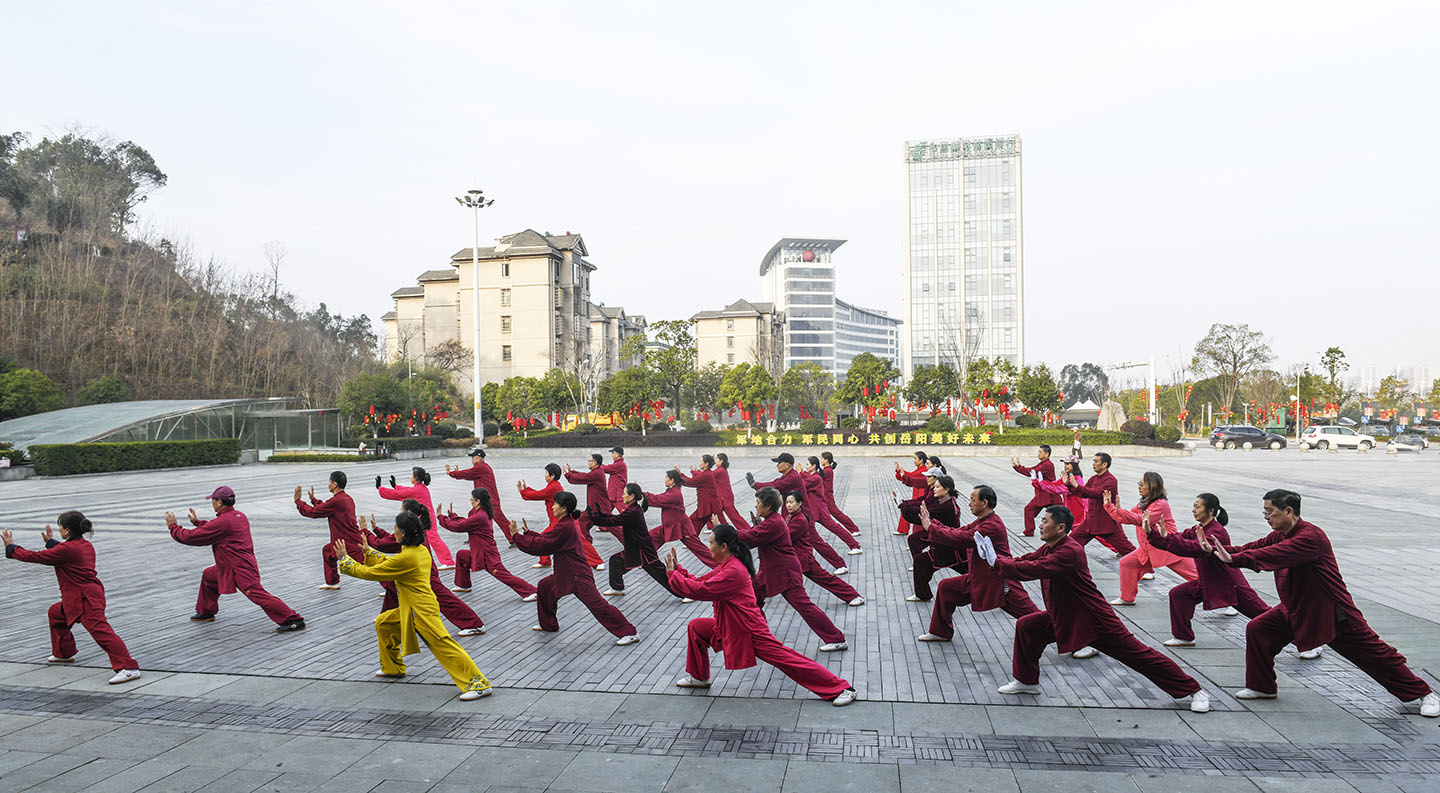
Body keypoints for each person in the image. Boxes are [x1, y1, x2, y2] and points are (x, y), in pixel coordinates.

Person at [1205, 489, 1437, 716]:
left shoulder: (1310, 537)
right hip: (1297, 607)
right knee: (1259, 629)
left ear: (1288, 511)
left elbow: (1272, 555)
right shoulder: (1280, 533)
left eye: (1269, 512)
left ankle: (1425, 694)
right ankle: (1262, 686)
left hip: (1331, 611)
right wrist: (1219, 550)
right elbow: (1255, 547)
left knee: (1374, 654)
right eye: (1264, 512)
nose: (1266, 517)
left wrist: (1234, 559)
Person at [981, 505, 1212, 713]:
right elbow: (1026, 560)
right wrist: (998, 560)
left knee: (1139, 656)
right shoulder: (1050, 547)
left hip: (1094, 618)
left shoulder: (1069, 551)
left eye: (1045, 521)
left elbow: (1033, 569)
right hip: (1065, 616)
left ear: (1061, 528)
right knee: (1028, 626)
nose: (1041, 525)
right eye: (1041, 521)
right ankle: (1026, 681)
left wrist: (997, 562)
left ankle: (1194, 690)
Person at [666, 526, 857, 706]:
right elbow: (700, 581)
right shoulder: (728, 564)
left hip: (749, 631)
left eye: (710, 543)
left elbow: (699, 590)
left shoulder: (733, 571)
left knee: (789, 660)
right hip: (730, 627)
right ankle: (699, 677)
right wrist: (679, 571)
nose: (708, 547)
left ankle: (841, 688)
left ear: (723, 547)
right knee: (696, 627)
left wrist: (674, 575)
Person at [334, 512, 492, 701]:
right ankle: (393, 668)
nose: (394, 533)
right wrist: (369, 551)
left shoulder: (407, 557)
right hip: (413, 609)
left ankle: (479, 683)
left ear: (402, 534)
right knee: (384, 623)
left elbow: (371, 572)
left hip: (422, 611)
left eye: (395, 530)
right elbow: (389, 563)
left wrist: (345, 560)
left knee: (443, 645)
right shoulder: (418, 550)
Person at [3, 512, 141, 684]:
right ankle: (63, 653)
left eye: (60, 527)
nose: (59, 529)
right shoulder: (85, 544)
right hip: (84, 596)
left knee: (102, 633)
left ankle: (129, 668)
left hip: (84, 600)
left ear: (67, 531)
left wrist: (11, 547)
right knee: (56, 614)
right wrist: (51, 543)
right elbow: (63, 552)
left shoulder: (66, 549)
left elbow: (35, 557)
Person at [166, 486, 305, 632]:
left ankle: (293, 619)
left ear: (219, 502)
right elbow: (214, 528)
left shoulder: (222, 522)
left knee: (256, 594)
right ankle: (206, 611)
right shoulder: (238, 516)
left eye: (213, 500)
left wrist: (173, 526)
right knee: (209, 576)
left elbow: (190, 537)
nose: (212, 503)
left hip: (239, 568)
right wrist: (197, 522)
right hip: (235, 564)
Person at [512, 492, 639, 645]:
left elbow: (542, 545)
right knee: (544, 587)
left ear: (564, 508)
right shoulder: (565, 524)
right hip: (566, 574)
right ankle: (548, 624)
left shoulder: (565, 527)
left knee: (599, 605)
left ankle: (630, 632)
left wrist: (517, 537)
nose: (553, 507)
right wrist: (528, 534)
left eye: (555, 504)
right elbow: (547, 540)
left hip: (578, 576)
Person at [917, 485, 1039, 642]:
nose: (969, 503)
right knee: (946, 588)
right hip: (979, 578)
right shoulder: (983, 521)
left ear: (984, 502)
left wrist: (932, 528)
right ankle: (940, 632)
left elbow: (962, 538)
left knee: (1034, 617)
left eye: (973, 500)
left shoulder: (991, 525)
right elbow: (960, 531)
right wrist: (933, 524)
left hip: (1000, 581)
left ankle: (1070, 638)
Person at [1146, 493, 1270, 647]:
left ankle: (1303, 642)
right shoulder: (1199, 529)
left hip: (1230, 584)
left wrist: (1169, 538)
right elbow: (1180, 538)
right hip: (1209, 581)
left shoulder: (1216, 532)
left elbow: (1194, 548)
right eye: (1194, 506)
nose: (1193, 510)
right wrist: (1152, 534)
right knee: (1179, 595)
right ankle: (1184, 637)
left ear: (1211, 511)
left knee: (1263, 615)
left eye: (1197, 507)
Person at [738, 487, 848, 652]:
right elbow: (756, 533)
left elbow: (751, 537)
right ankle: (759, 636)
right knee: (751, 598)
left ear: (768, 506)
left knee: (805, 606)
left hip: (785, 573)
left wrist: (724, 532)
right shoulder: (774, 520)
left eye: (758, 503)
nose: (756, 506)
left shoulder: (776, 522)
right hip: (771, 571)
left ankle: (836, 638)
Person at [361, 504, 487, 636]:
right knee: (394, 585)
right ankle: (387, 617)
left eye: (401, 510)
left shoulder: (409, 532)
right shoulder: (415, 528)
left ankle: (475, 624)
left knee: (446, 600)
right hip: (422, 570)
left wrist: (365, 531)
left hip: (424, 574)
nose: (399, 513)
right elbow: (392, 539)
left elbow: (383, 544)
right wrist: (376, 530)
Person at [1103, 472, 1198, 606]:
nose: (1139, 487)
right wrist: (1110, 507)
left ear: (1152, 486)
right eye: (1139, 484)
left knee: (1197, 576)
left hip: (1169, 548)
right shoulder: (1143, 503)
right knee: (1127, 563)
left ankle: (1229, 601)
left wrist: (1119, 511)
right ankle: (1127, 597)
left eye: (1142, 484)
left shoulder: (1161, 504)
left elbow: (1140, 520)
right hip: (1148, 549)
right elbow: (1125, 518)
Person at [749, 454, 845, 572]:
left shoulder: (792, 477)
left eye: (779, 463)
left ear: (787, 464)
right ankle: (800, 565)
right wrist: (756, 485)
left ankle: (840, 564)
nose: (777, 465)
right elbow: (775, 482)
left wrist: (755, 485)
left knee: (815, 542)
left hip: (803, 517)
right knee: (795, 542)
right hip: (792, 516)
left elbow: (775, 486)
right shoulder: (787, 476)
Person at [439, 489, 538, 601]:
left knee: (504, 575)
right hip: (480, 552)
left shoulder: (480, 516)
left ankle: (532, 591)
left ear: (478, 501)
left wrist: (441, 517)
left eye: (472, 499)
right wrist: (452, 516)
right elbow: (465, 522)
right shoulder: (480, 513)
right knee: (462, 556)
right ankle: (463, 585)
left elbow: (458, 526)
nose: (470, 501)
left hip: (487, 554)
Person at [591, 483, 676, 597]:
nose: (622, 496)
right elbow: (615, 518)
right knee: (616, 561)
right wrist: (601, 515)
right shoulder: (633, 509)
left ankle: (682, 591)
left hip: (644, 551)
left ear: (631, 496)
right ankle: (617, 588)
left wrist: (595, 518)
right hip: (636, 550)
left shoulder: (633, 512)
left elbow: (614, 521)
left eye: (624, 494)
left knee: (660, 573)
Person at [783, 490, 864, 607]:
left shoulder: (800, 519)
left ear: (800, 503)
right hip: (791, 559)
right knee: (764, 579)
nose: (788, 505)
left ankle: (852, 595)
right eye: (787, 502)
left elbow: (785, 536)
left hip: (803, 559)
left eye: (791, 502)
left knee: (825, 578)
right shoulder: (790, 517)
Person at [519, 463, 604, 569]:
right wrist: (527, 490)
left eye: (546, 473)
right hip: (556, 521)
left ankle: (597, 562)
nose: (545, 475)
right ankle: (544, 561)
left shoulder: (553, 487)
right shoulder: (552, 485)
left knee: (580, 541)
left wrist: (523, 491)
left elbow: (537, 495)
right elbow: (540, 493)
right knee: (543, 538)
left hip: (563, 520)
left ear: (552, 475)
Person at [294, 471, 362, 590]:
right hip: (344, 540)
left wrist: (298, 501)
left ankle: (391, 585)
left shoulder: (337, 501)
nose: (328, 484)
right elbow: (326, 507)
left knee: (370, 565)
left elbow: (313, 512)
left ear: (334, 484)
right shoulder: (345, 498)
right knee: (327, 551)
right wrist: (314, 500)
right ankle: (332, 582)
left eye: (329, 482)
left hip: (348, 542)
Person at [902, 471, 962, 602]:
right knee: (922, 562)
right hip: (946, 545)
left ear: (947, 489)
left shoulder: (946, 506)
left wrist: (903, 506)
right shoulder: (945, 501)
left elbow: (928, 514)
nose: (934, 489)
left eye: (937, 487)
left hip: (948, 547)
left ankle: (923, 594)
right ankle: (923, 594)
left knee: (969, 570)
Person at [377, 467, 454, 569]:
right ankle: (442, 561)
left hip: (427, 518)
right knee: (430, 540)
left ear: (415, 477)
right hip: (426, 517)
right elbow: (407, 490)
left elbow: (399, 494)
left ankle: (448, 562)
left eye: (411, 475)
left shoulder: (418, 490)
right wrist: (396, 486)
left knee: (434, 540)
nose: (410, 477)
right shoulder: (420, 488)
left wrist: (380, 488)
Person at [1063, 453, 1135, 556]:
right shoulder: (1093, 478)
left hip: (1107, 523)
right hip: (1091, 521)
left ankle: (1146, 565)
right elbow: (1084, 493)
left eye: (1096, 461)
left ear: (1105, 464)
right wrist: (1069, 485)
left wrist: (1077, 486)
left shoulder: (1110, 480)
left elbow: (1097, 493)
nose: (1093, 464)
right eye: (1093, 461)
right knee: (1071, 542)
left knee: (1127, 549)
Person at [648, 469, 718, 568]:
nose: (665, 480)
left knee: (700, 551)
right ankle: (646, 558)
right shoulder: (672, 490)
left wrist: (643, 494)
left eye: (666, 478)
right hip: (672, 526)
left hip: (682, 528)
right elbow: (659, 497)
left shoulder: (674, 493)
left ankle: (720, 565)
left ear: (672, 480)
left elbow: (659, 499)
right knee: (651, 538)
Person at [445, 447, 513, 542]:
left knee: (501, 520)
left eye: (473, 457)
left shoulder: (481, 467)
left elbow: (468, 473)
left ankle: (514, 538)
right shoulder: (481, 468)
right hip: (484, 500)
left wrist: (453, 473)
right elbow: (469, 475)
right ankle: (474, 536)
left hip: (490, 500)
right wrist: (457, 474)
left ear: (479, 458)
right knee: (472, 514)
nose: (472, 459)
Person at [800, 456, 861, 555]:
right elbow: (807, 479)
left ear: (814, 466)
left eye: (807, 464)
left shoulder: (816, 477)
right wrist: (802, 473)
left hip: (819, 510)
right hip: (814, 510)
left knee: (835, 527)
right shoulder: (814, 476)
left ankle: (855, 545)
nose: (806, 466)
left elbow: (803, 483)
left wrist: (800, 473)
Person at [1011, 445, 1060, 537]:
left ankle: (1029, 530)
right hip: (1045, 495)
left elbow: (1031, 472)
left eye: (1040, 452)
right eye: (1038, 452)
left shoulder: (1047, 465)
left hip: (1048, 495)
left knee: (1062, 514)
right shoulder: (1043, 463)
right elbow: (1032, 470)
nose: (1038, 454)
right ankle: (1029, 530)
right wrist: (1018, 467)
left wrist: (1018, 467)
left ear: (1047, 454)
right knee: (1030, 510)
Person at [564, 454, 614, 541]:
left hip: (600, 509)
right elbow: (584, 475)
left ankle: (634, 542)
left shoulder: (597, 473)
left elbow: (582, 478)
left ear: (595, 463)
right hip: (594, 508)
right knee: (582, 523)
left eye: (590, 461)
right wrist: (572, 472)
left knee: (616, 529)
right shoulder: (596, 472)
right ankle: (586, 545)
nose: (588, 463)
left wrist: (568, 474)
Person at [677, 455, 725, 533]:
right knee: (694, 522)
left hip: (710, 504)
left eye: (701, 462)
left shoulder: (706, 474)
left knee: (722, 526)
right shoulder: (707, 473)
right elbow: (699, 478)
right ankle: (693, 542)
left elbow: (692, 482)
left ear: (706, 464)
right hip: (708, 504)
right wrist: (692, 472)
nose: (699, 464)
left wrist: (679, 475)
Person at [818, 452, 861, 537]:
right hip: (824, 495)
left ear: (826, 460)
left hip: (827, 495)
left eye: (822, 458)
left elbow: (815, 477)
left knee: (836, 513)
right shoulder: (827, 469)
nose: (821, 460)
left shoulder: (827, 471)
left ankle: (854, 529)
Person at [892, 450, 930, 535]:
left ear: (921, 460)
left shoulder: (924, 470)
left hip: (922, 495)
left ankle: (910, 533)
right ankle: (903, 529)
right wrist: (899, 472)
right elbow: (908, 476)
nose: (914, 460)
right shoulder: (920, 469)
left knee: (913, 513)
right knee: (907, 508)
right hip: (917, 494)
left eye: (915, 458)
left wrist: (900, 471)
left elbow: (910, 476)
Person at [713, 453, 750, 530]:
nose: (715, 461)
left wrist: (695, 472)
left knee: (733, 515)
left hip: (725, 497)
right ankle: (722, 528)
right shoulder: (721, 470)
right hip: (723, 496)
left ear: (721, 461)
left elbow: (707, 476)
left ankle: (746, 528)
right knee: (716, 512)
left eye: (717, 459)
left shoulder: (720, 470)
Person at [601, 446, 628, 512]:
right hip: (613, 494)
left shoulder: (619, 464)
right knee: (605, 512)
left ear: (617, 454)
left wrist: (597, 464)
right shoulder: (618, 463)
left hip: (617, 495)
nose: (612, 454)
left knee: (626, 513)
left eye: (613, 452)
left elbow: (606, 468)